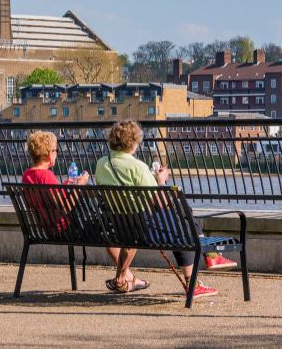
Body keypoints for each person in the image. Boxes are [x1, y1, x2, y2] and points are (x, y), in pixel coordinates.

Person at [94, 119, 236, 297]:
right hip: (143, 228)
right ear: (133, 142)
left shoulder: (101, 163)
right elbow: (160, 202)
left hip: (118, 227)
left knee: (180, 215)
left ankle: (209, 259)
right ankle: (197, 276)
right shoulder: (137, 167)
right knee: (182, 222)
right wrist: (161, 180)